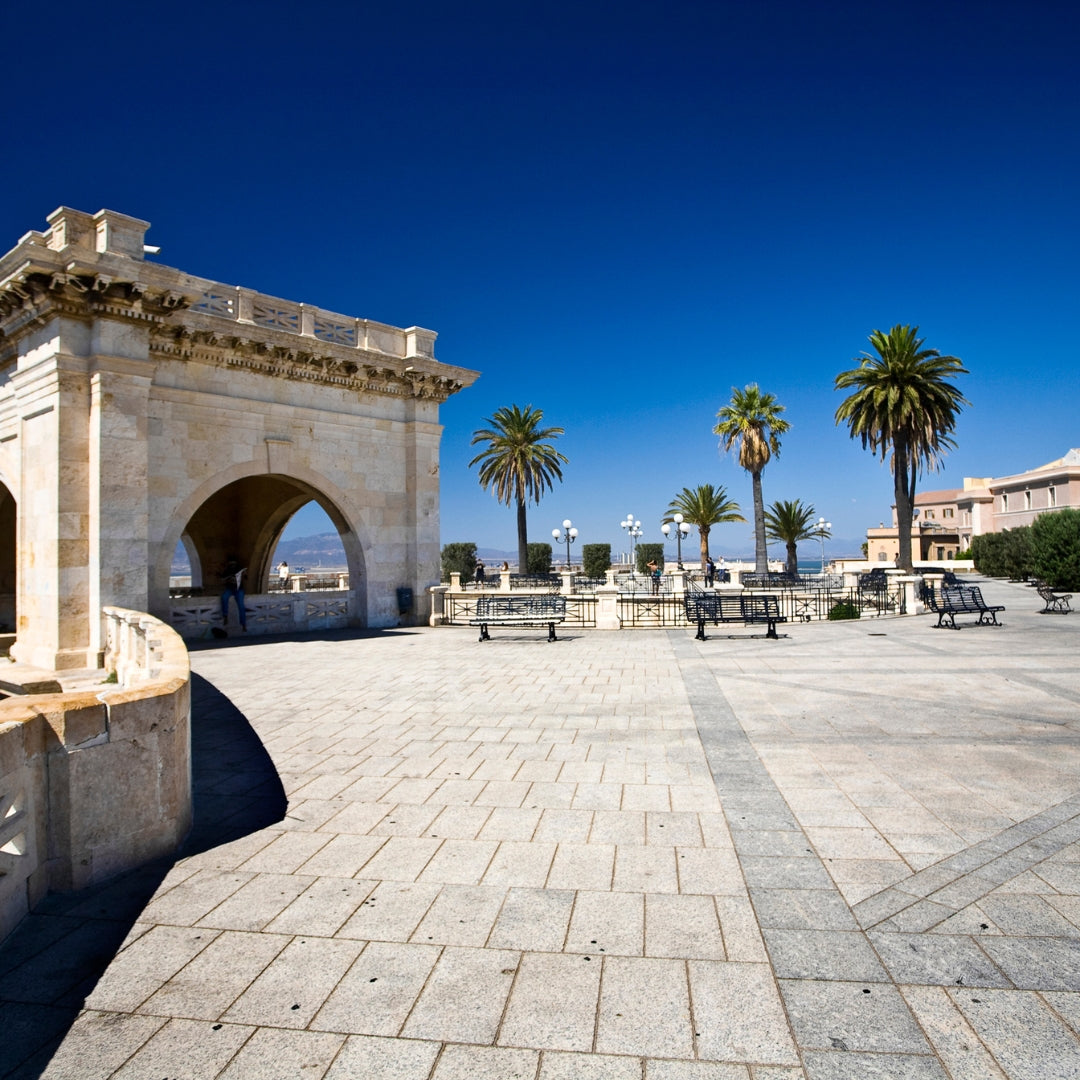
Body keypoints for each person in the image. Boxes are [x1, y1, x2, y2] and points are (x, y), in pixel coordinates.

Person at [220, 558, 247, 631]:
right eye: (231, 564)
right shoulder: (227, 571)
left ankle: (243, 624)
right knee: (224, 597)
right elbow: (222, 579)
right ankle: (225, 615)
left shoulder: (239, 569)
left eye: (233, 564)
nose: (232, 566)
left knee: (241, 605)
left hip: (239, 589)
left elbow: (245, 577)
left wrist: (243, 573)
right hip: (230, 589)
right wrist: (228, 578)